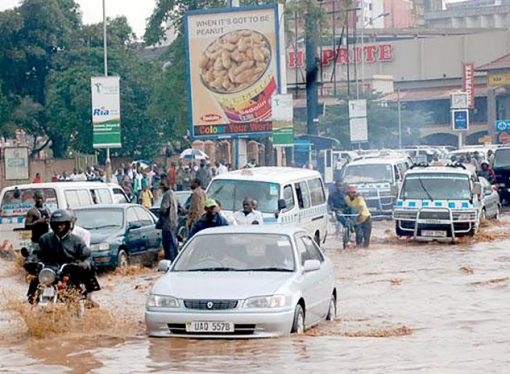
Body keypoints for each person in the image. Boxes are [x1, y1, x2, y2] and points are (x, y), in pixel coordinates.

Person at [24, 210, 100, 304]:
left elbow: (87, 255)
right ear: (52, 225)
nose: (59, 226)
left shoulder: (77, 241)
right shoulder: (45, 239)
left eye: (62, 224)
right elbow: (36, 253)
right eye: (56, 224)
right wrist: (30, 260)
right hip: (49, 269)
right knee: (35, 280)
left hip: (69, 270)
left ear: (68, 224)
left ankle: (84, 300)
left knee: (78, 284)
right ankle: (32, 301)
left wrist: (85, 264)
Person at [158, 180, 179, 261]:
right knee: (173, 244)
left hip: (167, 224)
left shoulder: (167, 195)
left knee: (168, 245)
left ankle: (170, 262)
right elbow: (180, 207)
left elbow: (163, 209)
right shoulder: (174, 194)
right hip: (174, 223)